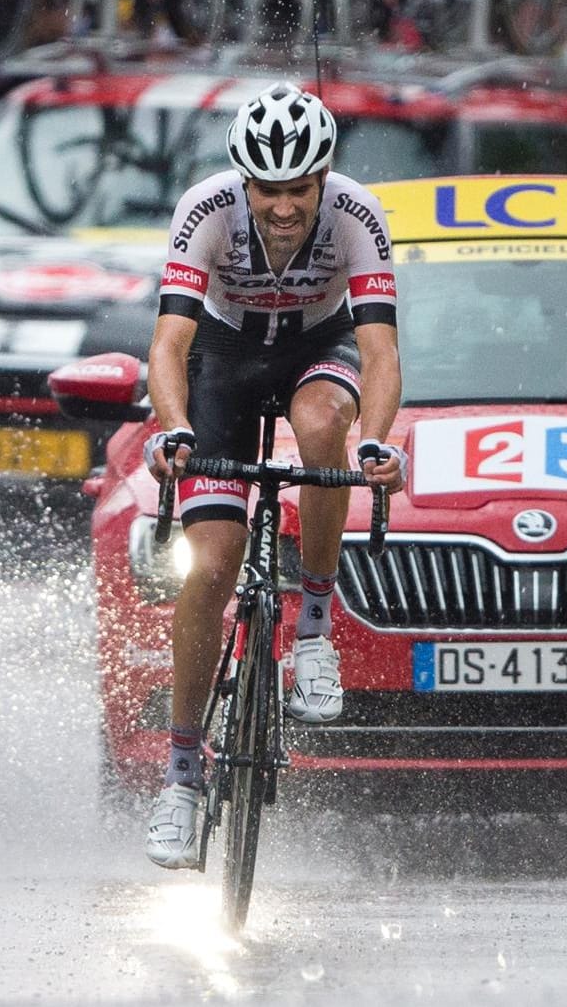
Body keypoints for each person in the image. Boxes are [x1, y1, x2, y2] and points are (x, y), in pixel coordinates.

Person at [139, 83, 407, 869]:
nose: (285, 206)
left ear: (323, 179)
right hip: (222, 362)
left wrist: (376, 443)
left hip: (316, 350)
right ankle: (183, 776)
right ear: (242, 182)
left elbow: (383, 353)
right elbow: (168, 343)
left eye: (300, 189)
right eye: (268, 190)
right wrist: (176, 429)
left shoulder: (357, 214)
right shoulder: (206, 209)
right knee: (214, 565)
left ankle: (315, 627)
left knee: (325, 424)